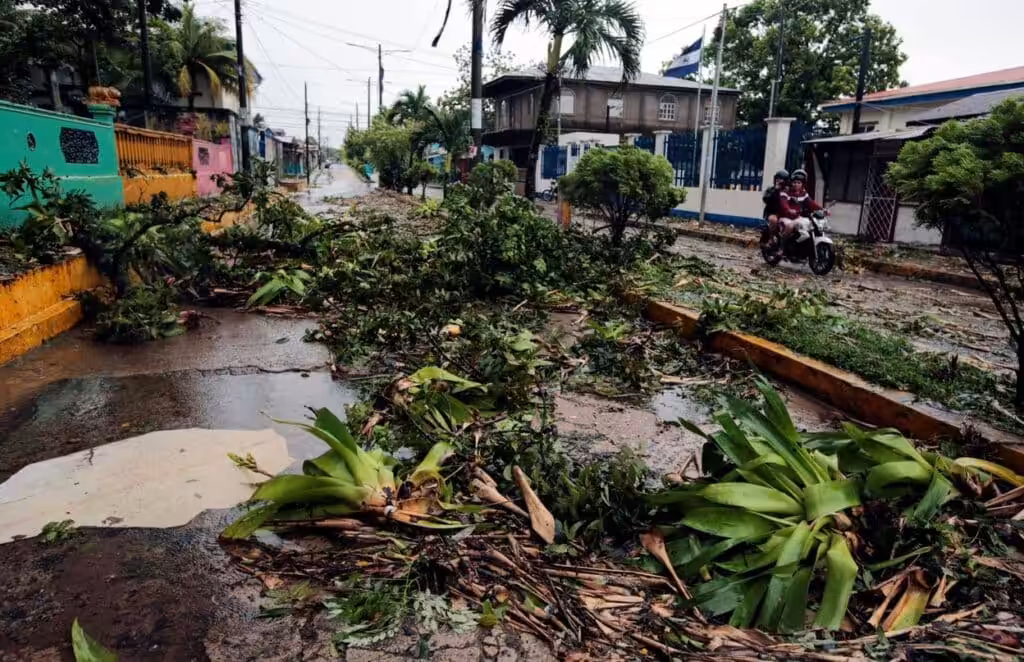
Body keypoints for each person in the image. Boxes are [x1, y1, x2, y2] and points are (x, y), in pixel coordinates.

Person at [779, 168, 823, 239]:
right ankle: (782, 246)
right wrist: (789, 209)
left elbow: (812, 203)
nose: (796, 184)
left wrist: (822, 209)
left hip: (797, 217)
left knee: (810, 225)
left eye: (798, 183)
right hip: (786, 217)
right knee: (790, 226)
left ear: (802, 184)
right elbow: (784, 203)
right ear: (791, 182)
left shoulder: (804, 194)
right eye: (794, 182)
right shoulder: (786, 192)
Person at [762, 169, 790, 237]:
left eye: (781, 179)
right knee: (773, 219)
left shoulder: (788, 191)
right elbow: (766, 199)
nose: (778, 180)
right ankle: (772, 238)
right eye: (777, 178)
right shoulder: (771, 189)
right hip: (772, 212)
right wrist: (775, 190)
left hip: (785, 213)